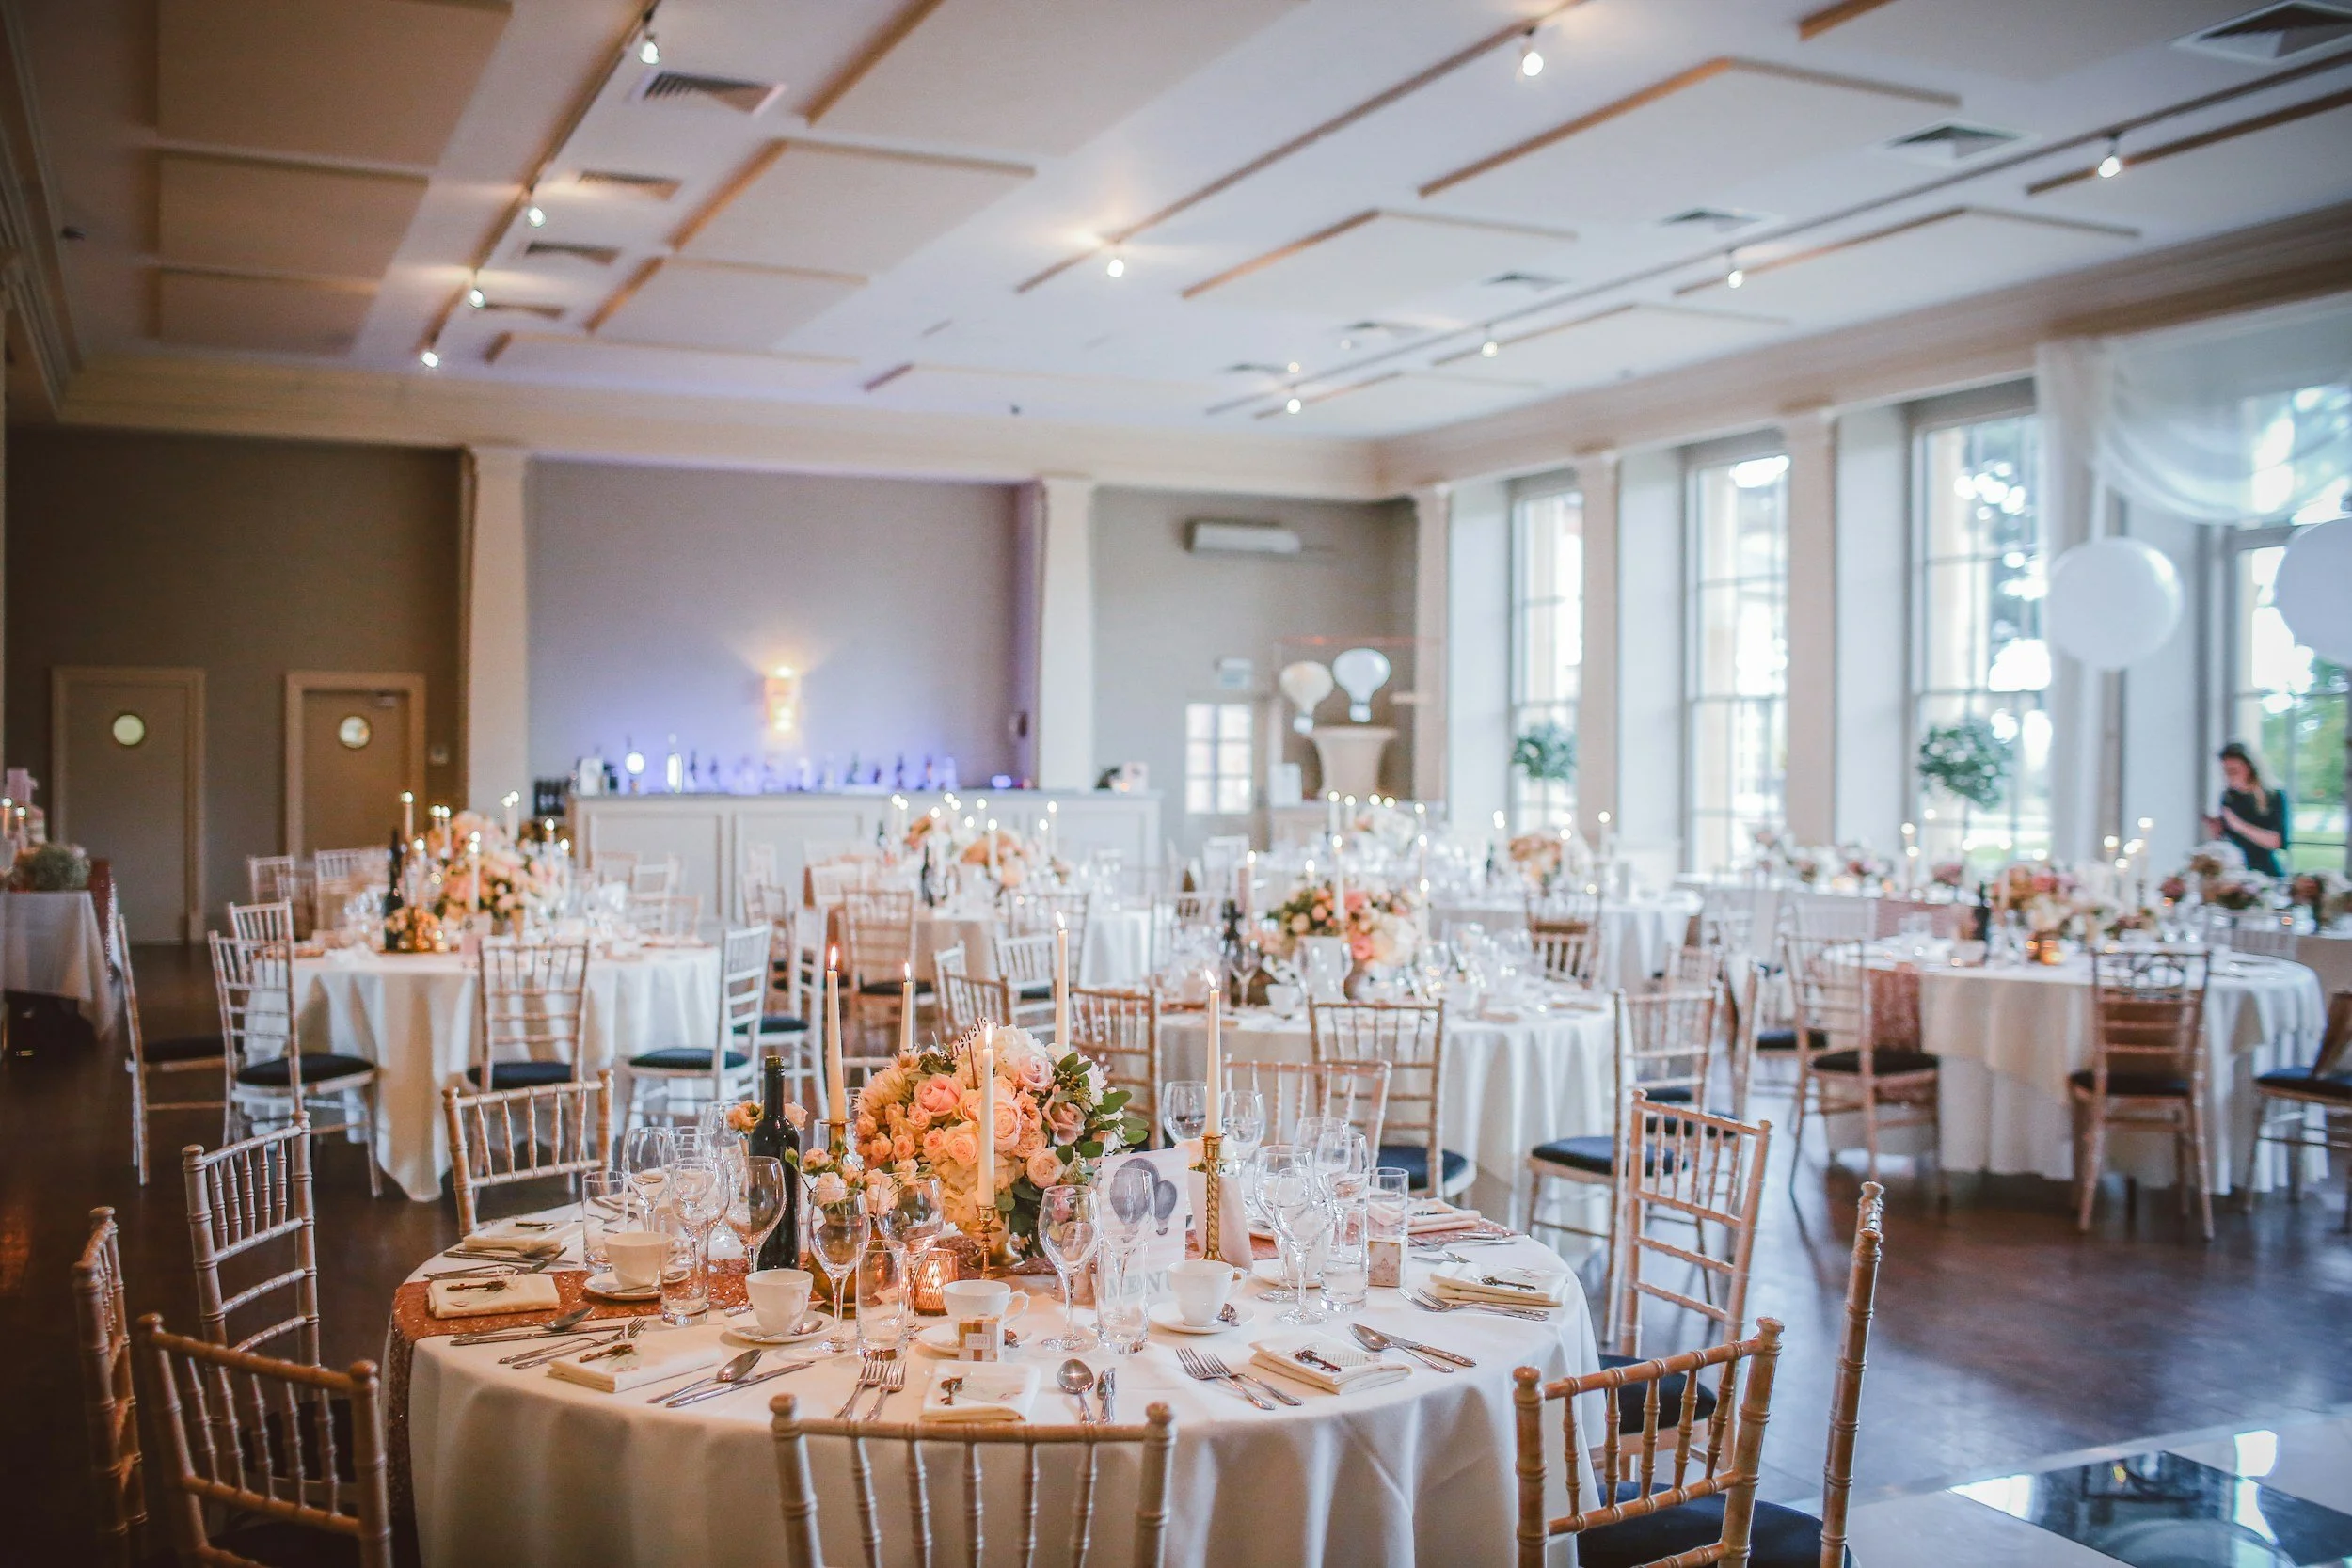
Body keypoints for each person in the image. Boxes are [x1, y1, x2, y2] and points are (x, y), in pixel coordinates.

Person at [2201, 741, 2289, 877]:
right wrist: (2217, 829)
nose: (2229, 776)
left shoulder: (2275, 796)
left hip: (2266, 872)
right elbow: (2228, 841)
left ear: (2250, 768)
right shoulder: (2229, 797)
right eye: (2226, 771)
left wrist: (2239, 825)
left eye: (2234, 771)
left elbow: (2277, 841)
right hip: (2235, 872)